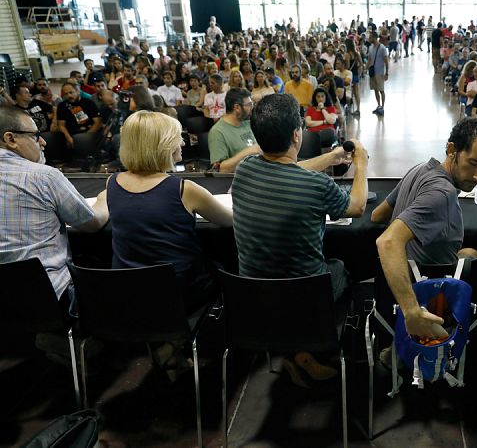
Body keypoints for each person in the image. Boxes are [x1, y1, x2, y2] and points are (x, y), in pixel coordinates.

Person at [231, 94, 368, 386]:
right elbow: (356, 206)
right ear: (297, 135)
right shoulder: (318, 186)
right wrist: (362, 164)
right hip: (307, 299)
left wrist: (330, 158)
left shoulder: (244, 170)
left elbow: (286, 171)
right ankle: (324, 347)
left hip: (256, 298)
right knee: (343, 267)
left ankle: (294, 352)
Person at [371, 117, 477, 337]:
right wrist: (411, 310)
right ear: (452, 149)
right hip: (432, 296)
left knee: (467, 252)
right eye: (473, 163)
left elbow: (377, 215)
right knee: (475, 258)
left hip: (403, 284)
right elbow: (388, 241)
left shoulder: (419, 169)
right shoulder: (442, 194)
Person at [107, 111, 233, 312]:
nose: (182, 143)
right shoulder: (185, 190)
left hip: (129, 292)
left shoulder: (112, 183)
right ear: (161, 145)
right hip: (179, 294)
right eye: (177, 138)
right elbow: (230, 221)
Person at [0, 107, 108, 301]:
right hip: (46, 299)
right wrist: (104, 198)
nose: (43, 142)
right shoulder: (45, 177)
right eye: (35, 136)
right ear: (11, 139)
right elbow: (92, 223)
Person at [208, 88, 260, 174]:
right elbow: (220, 169)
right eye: (249, 104)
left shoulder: (247, 123)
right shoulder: (217, 132)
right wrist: (249, 151)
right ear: (237, 107)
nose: (252, 108)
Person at [56, 83, 102, 150]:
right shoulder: (61, 106)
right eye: (66, 94)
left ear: (78, 91)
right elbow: (61, 125)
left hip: (89, 133)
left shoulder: (89, 103)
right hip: (72, 135)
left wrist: (85, 137)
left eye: (71, 92)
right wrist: (70, 139)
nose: (69, 95)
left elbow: (98, 123)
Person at [366, 31, 389, 116]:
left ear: (374, 38)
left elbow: (386, 61)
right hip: (372, 72)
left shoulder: (382, 48)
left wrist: (387, 73)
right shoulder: (371, 47)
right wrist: (365, 69)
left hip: (380, 73)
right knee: (375, 89)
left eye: (370, 37)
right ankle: (378, 105)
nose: (369, 39)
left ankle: (382, 107)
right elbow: (369, 60)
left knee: (381, 90)